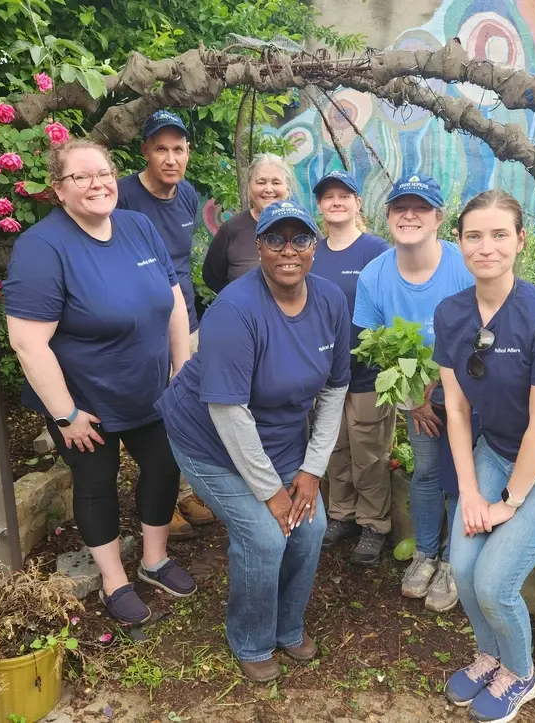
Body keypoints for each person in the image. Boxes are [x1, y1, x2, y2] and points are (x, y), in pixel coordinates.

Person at [4, 139, 197, 626]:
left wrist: (181, 370)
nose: (98, 184)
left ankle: (154, 560)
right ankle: (115, 582)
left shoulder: (137, 226)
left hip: (151, 391)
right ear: (58, 190)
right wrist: (65, 414)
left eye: (104, 173)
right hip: (83, 402)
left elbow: (174, 301)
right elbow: (28, 343)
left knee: (163, 465)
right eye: (82, 177)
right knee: (96, 481)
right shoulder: (42, 249)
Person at [158, 200, 350, 682]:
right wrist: (271, 491)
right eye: (275, 240)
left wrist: (311, 471)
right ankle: (250, 637)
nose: (289, 250)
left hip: (282, 440)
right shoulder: (235, 310)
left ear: (314, 247)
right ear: (258, 246)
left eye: (301, 239)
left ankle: (287, 628)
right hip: (211, 441)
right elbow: (229, 413)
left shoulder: (330, 301)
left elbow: (334, 390)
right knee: (265, 536)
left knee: (309, 526)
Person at [435, 190, 535, 722]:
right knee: (462, 566)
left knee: (495, 581)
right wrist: (469, 491)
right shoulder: (450, 313)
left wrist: (508, 502)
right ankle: (490, 655)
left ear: (521, 240)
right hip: (496, 452)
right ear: (459, 243)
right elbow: (456, 410)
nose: (486, 246)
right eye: (474, 235)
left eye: (499, 234)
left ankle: (521, 674)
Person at [353, 173, 475, 612]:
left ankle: (454, 562)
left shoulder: (463, 266)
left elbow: (479, 337)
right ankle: (426, 554)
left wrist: (436, 391)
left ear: (439, 217)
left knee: (463, 476)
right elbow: (377, 347)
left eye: (421, 207)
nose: (410, 215)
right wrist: (413, 402)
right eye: (400, 207)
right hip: (416, 397)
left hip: (468, 389)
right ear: (387, 217)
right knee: (425, 471)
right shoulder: (374, 276)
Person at [117, 109, 217, 540]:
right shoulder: (120, 196)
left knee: (187, 404)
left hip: (185, 321)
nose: (171, 158)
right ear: (145, 151)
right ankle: (160, 500)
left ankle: (184, 490)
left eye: (178, 149)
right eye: (161, 149)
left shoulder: (188, 195)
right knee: (153, 412)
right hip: (139, 327)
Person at [310, 170, 393, 566]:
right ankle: (340, 514)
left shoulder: (377, 250)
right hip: (324, 372)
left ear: (358, 202)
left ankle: (374, 524)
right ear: (320, 205)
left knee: (369, 451)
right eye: (328, 196)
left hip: (367, 373)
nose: (336, 201)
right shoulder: (312, 251)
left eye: (345, 194)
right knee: (334, 447)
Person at [202, 153, 296, 293]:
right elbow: (212, 278)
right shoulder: (231, 229)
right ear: (249, 188)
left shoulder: (302, 226)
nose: (268, 189)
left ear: (287, 189)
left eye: (276, 182)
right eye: (261, 182)